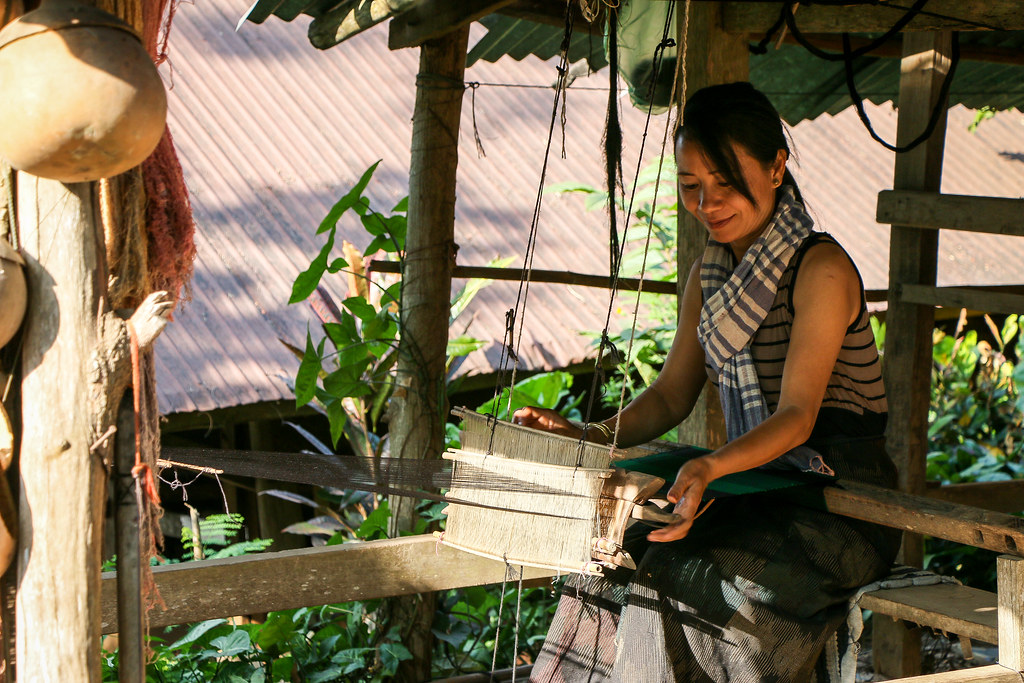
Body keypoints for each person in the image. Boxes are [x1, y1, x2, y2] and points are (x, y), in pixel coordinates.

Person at [516, 82, 900, 682]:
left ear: (777, 167)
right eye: (691, 185)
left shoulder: (819, 269)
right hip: (760, 487)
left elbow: (798, 417)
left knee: (688, 577)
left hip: (843, 501)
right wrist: (590, 433)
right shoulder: (711, 272)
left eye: (724, 183)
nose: (707, 203)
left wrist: (710, 467)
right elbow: (673, 395)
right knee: (609, 560)